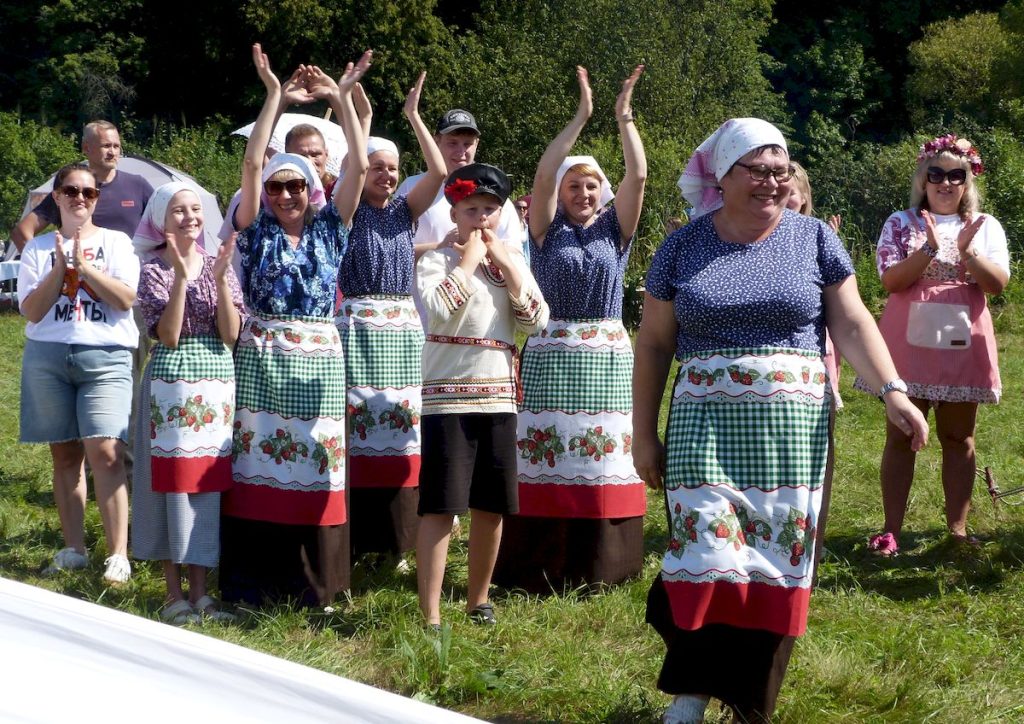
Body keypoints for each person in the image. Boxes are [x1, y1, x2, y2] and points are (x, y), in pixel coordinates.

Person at [634, 118, 929, 723]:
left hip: (791, 436)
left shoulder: (814, 238)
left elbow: (852, 321)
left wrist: (893, 391)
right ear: (723, 175)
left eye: (781, 171)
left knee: (776, 564)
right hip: (702, 429)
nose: (772, 182)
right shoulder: (682, 247)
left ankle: (749, 705)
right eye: (758, 171)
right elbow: (655, 343)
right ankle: (692, 693)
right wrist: (642, 433)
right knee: (705, 555)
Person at [218, 44, 370, 607]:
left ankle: (316, 585)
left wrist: (341, 98)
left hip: (319, 359)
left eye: (296, 186)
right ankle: (254, 584)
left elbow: (358, 166)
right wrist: (274, 97)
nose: (285, 195)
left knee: (315, 459)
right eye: (277, 186)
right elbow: (251, 163)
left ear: (312, 190)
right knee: (257, 461)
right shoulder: (254, 227)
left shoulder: (332, 228)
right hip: (261, 355)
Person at [493, 65, 647, 593]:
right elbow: (542, 175)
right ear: (560, 193)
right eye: (574, 185)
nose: (583, 192)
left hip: (605, 354)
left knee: (602, 457)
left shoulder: (615, 230)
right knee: (548, 451)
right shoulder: (544, 229)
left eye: (591, 185)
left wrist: (624, 118)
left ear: (602, 192)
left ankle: (602, 565)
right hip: (550, 350)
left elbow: (638, 177)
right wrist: (581, 116)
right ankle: (540, 565)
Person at [855, 134, 1009, 556]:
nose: (945, 183)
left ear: (967, 181)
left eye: (956, 175)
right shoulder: (900, 222)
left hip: (964, 342)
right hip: (908, 342)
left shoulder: (985, 225)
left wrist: (967, 253)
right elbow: (891, 281)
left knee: (959, 438)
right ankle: (891, 530)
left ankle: (957, 530)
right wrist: (928, 248)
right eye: (936, 174)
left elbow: (996, 285)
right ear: (923, 179)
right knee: (901, 435)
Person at [415, 163, 549, 628]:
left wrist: (509, 268)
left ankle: (478, 599)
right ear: (454, 213)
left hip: (498, 399)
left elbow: (536, 321)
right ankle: (431, 613)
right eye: (472, 209)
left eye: (490, 210)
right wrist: (468, 262)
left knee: (491, 506)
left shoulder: (512, 261)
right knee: (441, 503)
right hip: (447, 399)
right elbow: (439, 310)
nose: (481, 219)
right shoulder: (437, 261)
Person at [338, 72, 445, 560]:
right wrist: (358, 114)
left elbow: (438, 172)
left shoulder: (404, 211)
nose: (386, 175)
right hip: (358, 330)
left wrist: (414, 116)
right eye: (378, 167)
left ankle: (398, 543)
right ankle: (359, 540)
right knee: (359, 431)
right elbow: (356, 166)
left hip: (402, 332)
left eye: (394, 168)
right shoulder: (347, 210)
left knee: (402, 430)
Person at [17, 162, 140, 583]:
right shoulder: (37, 249)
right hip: (49, 357)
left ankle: (118, 554)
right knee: (65, 455)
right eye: (71, 191)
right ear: (56, 196)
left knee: (106, 453)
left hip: (105, 356)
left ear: (97, 199)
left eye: (89, 192)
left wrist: (84, 268)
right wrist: (59, 268)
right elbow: (32, 311)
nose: (80, 199)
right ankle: (74, 549)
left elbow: (125, 299)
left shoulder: (117, 242)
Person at [131, 182, 243, 624]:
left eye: (195, 209)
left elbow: (230, 334)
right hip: (171, 385)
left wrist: (219, 282)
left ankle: (202, 592)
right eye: (179, 210)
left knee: (204, 484)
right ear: (161, 218)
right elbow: (169, 335)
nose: (190, 217)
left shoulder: (218, 264)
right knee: (170, 483)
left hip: (214, 383)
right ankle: (173, 592)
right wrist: (181, 277)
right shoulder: (153, 270)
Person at [11, 121, 154, 250]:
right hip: (80, 268)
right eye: (106, 146)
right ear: (86, 148)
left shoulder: (138, 185)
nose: (112, 152)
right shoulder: (70, 192)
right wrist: (44, 264)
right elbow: (21, 232)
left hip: (127, 270)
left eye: (116, 146)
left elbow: (163, 228)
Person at [396, 108, 521, 252]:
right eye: (452, 143)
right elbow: (392, 251)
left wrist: (483, 249)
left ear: (477, 144)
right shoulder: (411, 188)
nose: (461, 152)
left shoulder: (495, 196)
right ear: (437, 141)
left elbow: (515, 253)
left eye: (467, 144)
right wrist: (441, 247)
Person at [788, 161, 844, 408]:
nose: (783, 199)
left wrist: (832, 238)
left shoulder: (816, 235)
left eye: (790, 193)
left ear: (804, 198)